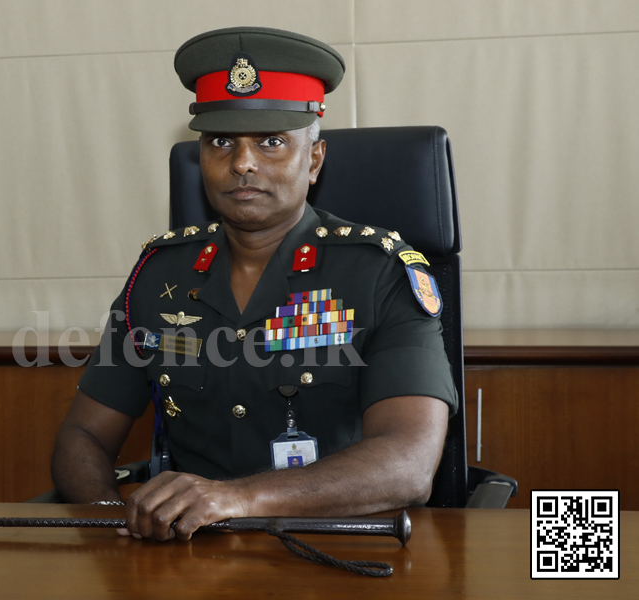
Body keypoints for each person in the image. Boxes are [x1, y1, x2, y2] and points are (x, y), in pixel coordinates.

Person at [51, 27, 457, 542]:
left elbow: (409, 464)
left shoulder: (379, 273)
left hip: (339, 549)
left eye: (270, 142)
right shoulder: (158, 275)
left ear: (313, 159)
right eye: (222, 142)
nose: (242, 163)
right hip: (188, 561)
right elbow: (83, 434)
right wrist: (115, 520)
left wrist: (238, 499)